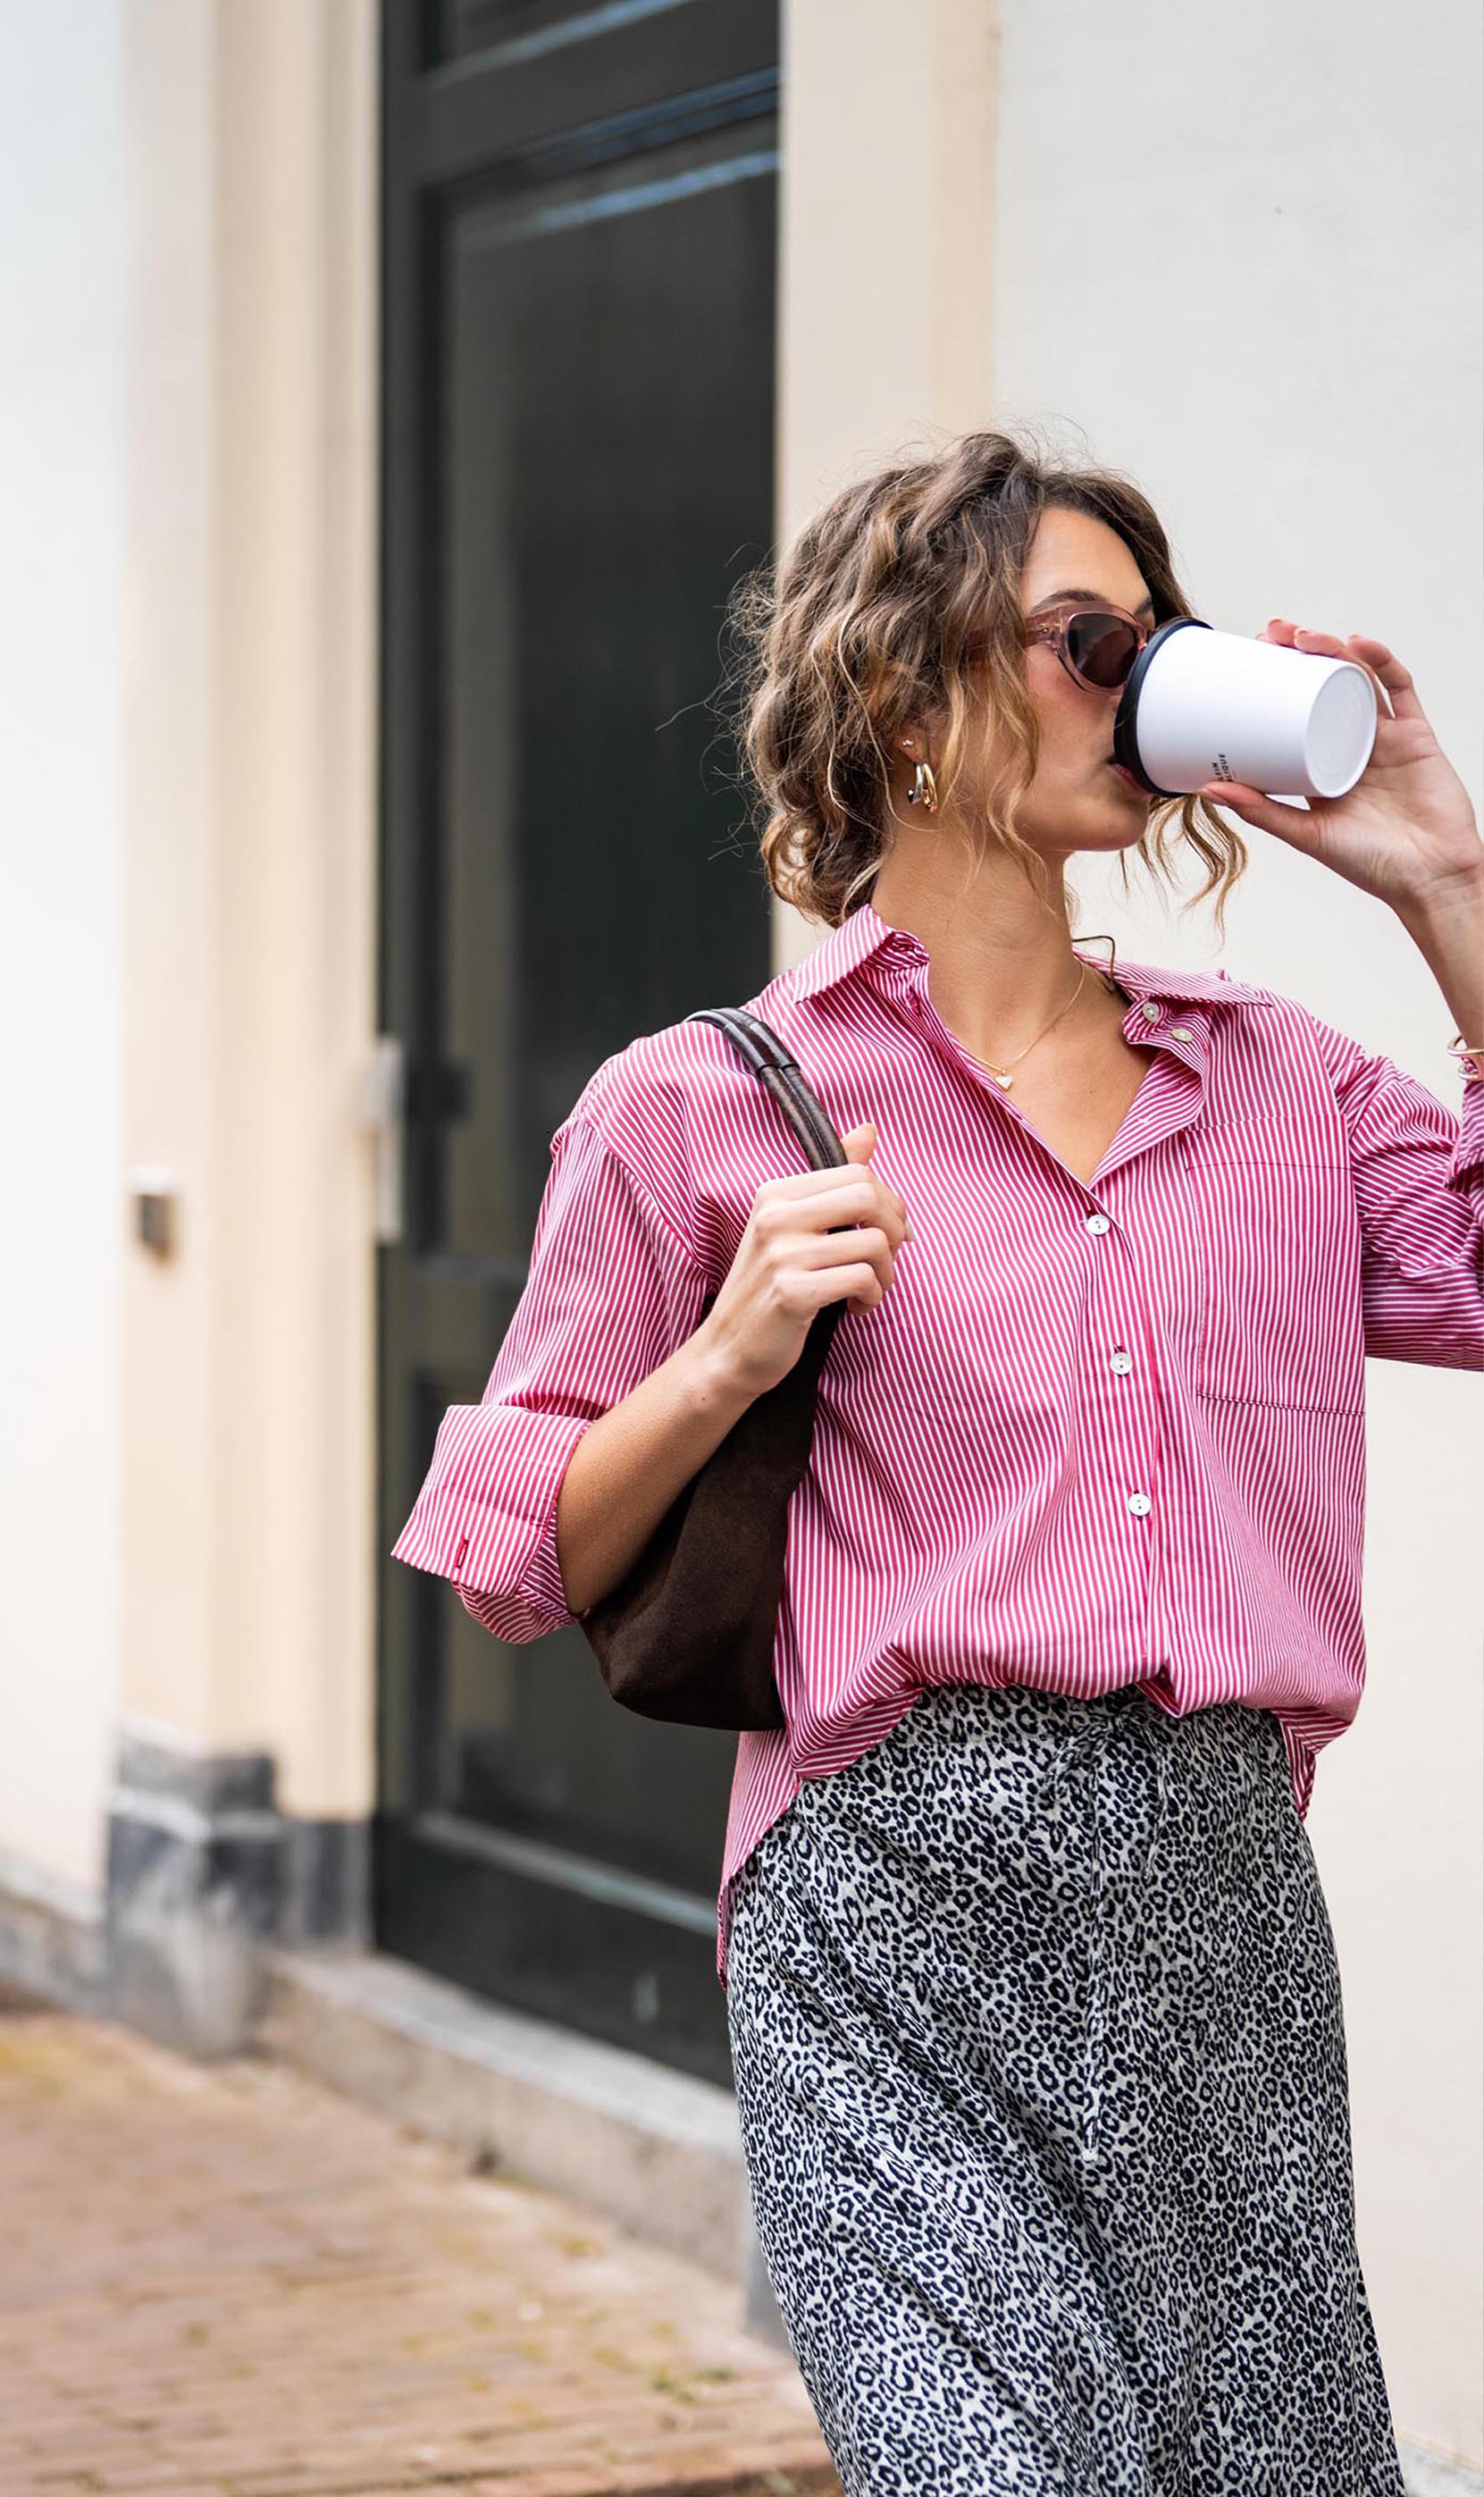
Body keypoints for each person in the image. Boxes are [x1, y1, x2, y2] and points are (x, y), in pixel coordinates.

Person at [388, 428, 1484, 2494]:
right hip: (887, 1894)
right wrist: (723, 1356)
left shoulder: (1275, 1088)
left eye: (1160, 643)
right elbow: (504, 1553)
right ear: (901, 693)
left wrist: (1450, 884)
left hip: (1220, 1902)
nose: (1139, 687)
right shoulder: (698, 1104)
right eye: (1088, 642)